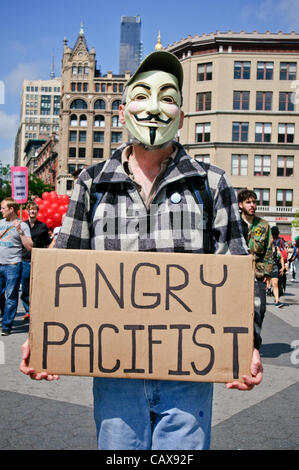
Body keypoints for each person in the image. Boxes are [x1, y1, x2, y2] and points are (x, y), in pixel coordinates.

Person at [20, 50, 263, 450]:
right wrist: (41, 336)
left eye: (168, 97)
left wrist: (247, 344)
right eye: (142, 96)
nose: (154, 107)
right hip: (116, 376)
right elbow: (63, 266)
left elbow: (237, 270)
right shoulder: (92, 182)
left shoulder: (211, 184)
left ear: (182, 116)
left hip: (191, 375)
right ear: (122, 111)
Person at [238, 189, 273, 330]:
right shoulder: (234, 223)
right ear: (240, 204)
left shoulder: (263, 225)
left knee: (261, 308)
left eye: (254, 202)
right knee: (237, 308)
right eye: (248, 202)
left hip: (257, 273)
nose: (252, 205)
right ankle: (241, 339)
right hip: (237, 273)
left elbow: (268, 250)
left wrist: (268, 273)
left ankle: (255, 341)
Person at [0, 197, 32, 336]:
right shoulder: (0, 223)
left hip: (13, 265)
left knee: (11, 298)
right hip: (0, 264)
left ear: (11, 209)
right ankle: (5, 317)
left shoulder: (23, 225)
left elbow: (29, 246)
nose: (1, 210)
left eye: (3, 208)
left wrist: (20, 231)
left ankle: (6, 326)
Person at [21, 201, 51, 321]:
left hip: (38, 259)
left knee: (39, 286)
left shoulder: (42, 226)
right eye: (30, 209)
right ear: (27, 211)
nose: (32, 211)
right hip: (25, 259)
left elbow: (47, 243)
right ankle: (28, 311)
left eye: (34, 209)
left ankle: (39, 310)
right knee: (25, 287)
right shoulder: (22, 225)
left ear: (37, 212)